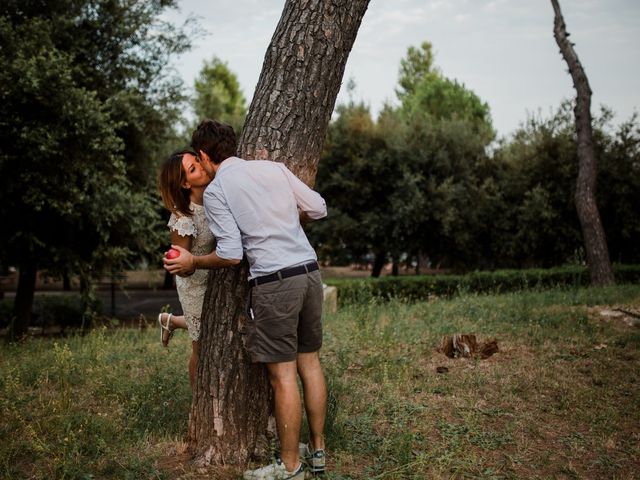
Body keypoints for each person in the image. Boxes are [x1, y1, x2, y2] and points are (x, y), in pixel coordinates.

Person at [164, 120, 328, 480]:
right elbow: (318, 208)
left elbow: (232, 254)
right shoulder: (274, 168)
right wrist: (284, 219)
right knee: (310, 364)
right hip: (310, 272)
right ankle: (318, 450)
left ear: (205, 156)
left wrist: (194, 261)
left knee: (283, 376)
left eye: (197, 160)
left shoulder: (218, 189)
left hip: (275, 282)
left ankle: (290, 468)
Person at [157, 149, 215, 391]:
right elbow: (182, 268)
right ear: (184, 183)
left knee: (207, 326)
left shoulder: (216, 198)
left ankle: (168, 320)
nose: (201, 168)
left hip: (215, 276)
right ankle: (197, 404)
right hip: (195, 286)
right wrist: (182, 263)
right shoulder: (184, 219)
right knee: (200, 346)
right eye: (193, 170)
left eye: (198, 162)